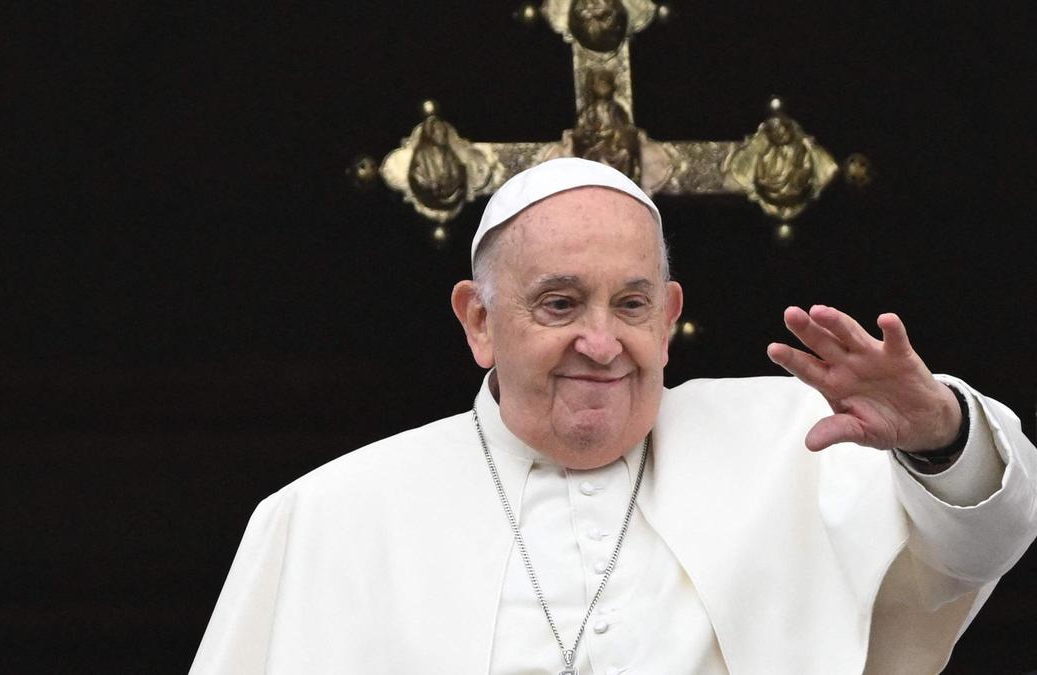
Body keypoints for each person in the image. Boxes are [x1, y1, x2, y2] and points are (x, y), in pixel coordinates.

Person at [190, 158, 1037, 674]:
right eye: (560, 304)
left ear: (669, 315)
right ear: (479, 321)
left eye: (631, 305)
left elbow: (985, 544)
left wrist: (939, 436)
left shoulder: (799, 440)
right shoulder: (329, 518)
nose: (602, 342)